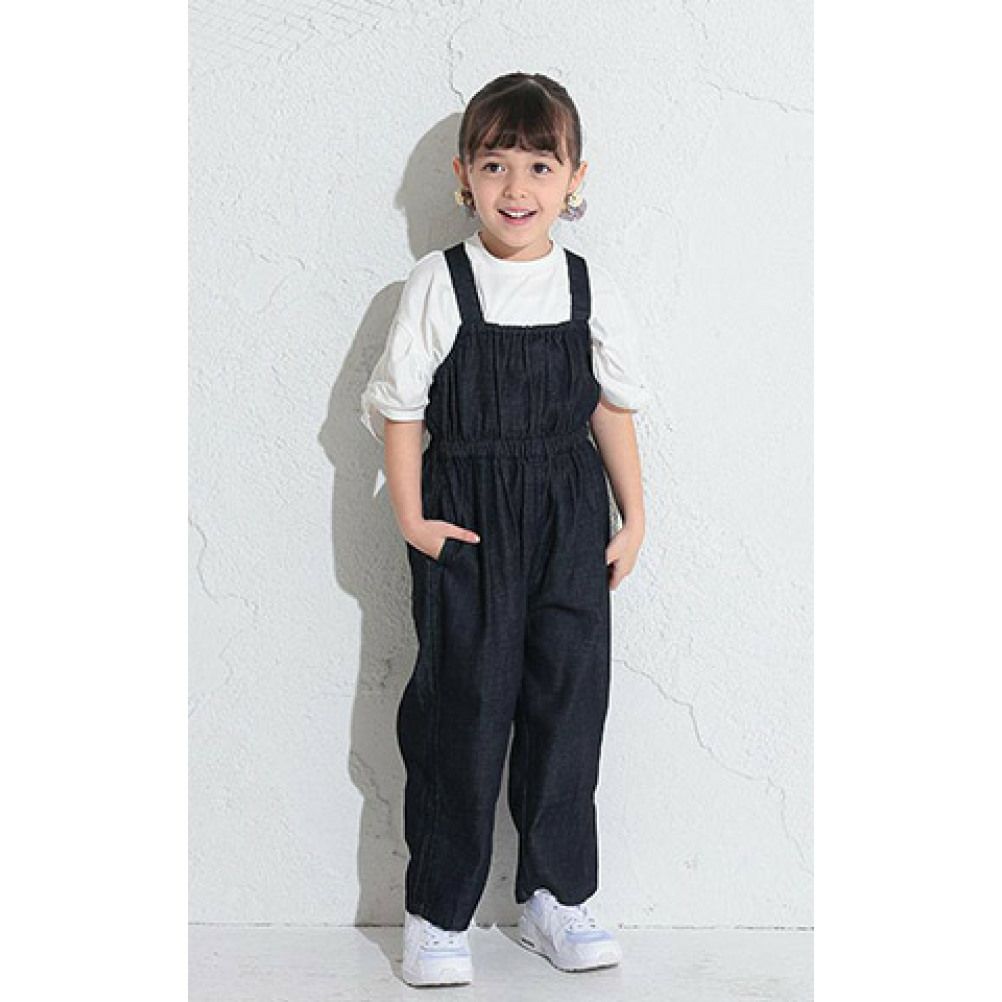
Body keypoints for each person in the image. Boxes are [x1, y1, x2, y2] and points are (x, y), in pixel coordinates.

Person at [360, 71, 649, 987]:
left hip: (571, 516)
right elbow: (401, 406)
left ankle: (555, 897)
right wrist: (413, 518)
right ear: (464, 177)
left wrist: (635, 514)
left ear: (574, 180)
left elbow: (609, 406)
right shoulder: (438, 283)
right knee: (464, 710)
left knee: (570, 704)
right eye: (495, 165)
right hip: (470, 520)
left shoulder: (586, 285)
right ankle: (439, 912)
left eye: (539, 166)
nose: (516, 187)